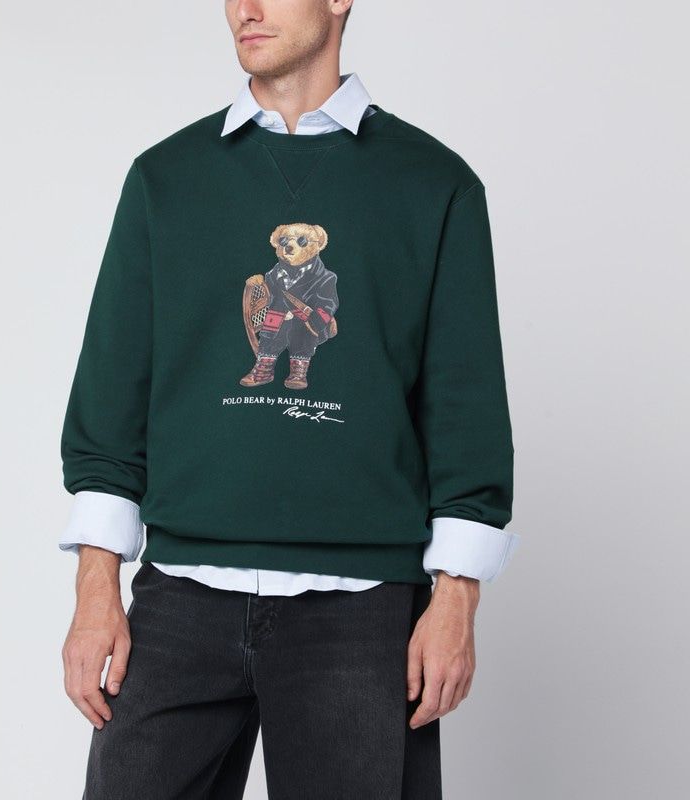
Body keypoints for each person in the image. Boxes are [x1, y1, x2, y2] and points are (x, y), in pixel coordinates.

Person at [58, 2, 521, 797]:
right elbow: (112, 390)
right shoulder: (167, 178)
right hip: (181, 597)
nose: (245, 8)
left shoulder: (433, 183)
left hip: (361, 608)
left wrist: (456, 597)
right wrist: (96, 588)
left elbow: (464, 401)